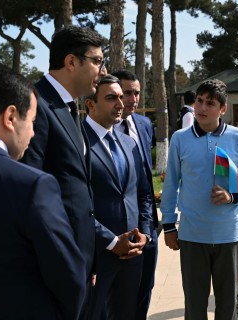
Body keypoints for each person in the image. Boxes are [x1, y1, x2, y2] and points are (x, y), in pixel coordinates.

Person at [0, 70, 86, 319]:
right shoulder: (32, 185)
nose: (32, 133)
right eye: (32, 121)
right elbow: (70, 278)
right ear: (10, 116)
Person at [20, 25, 106, 318]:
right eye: (96, 61)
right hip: (55, 267)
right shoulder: (35, 105)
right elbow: (30, 192)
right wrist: (64, 264)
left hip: (77, 261)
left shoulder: (70, 108)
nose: (103, 71)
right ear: (71, 62)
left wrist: (88, 260)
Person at [160, 79, 238, 320]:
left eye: (210, 103)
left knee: (227, 306)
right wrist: (168, 225)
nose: (202, 108)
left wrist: (232, 196)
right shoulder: (179, 139)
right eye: (199, 101)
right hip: (192, 235)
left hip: (229, 235)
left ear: (223, 109)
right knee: (195, 306)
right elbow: (171, 183)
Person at [83, 75, 153, 319]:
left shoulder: (128, 142)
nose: (121, 104)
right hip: (96, 259)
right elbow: (74, 204)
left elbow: (143, 193)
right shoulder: (77, 143)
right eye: (111, 98)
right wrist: (111, 242)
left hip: (133, 255)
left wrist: (143, 234)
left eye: (121, 97)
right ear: (90, 105)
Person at [111, 69, 158, 320]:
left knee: (145, 289)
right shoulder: (106, 130)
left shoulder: (144, 124)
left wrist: (149, 228)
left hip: (148, 226)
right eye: (127, 93)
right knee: (121, 298)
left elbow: (145, 180)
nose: (132, 99)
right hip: (120, 231)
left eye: (137, 93)